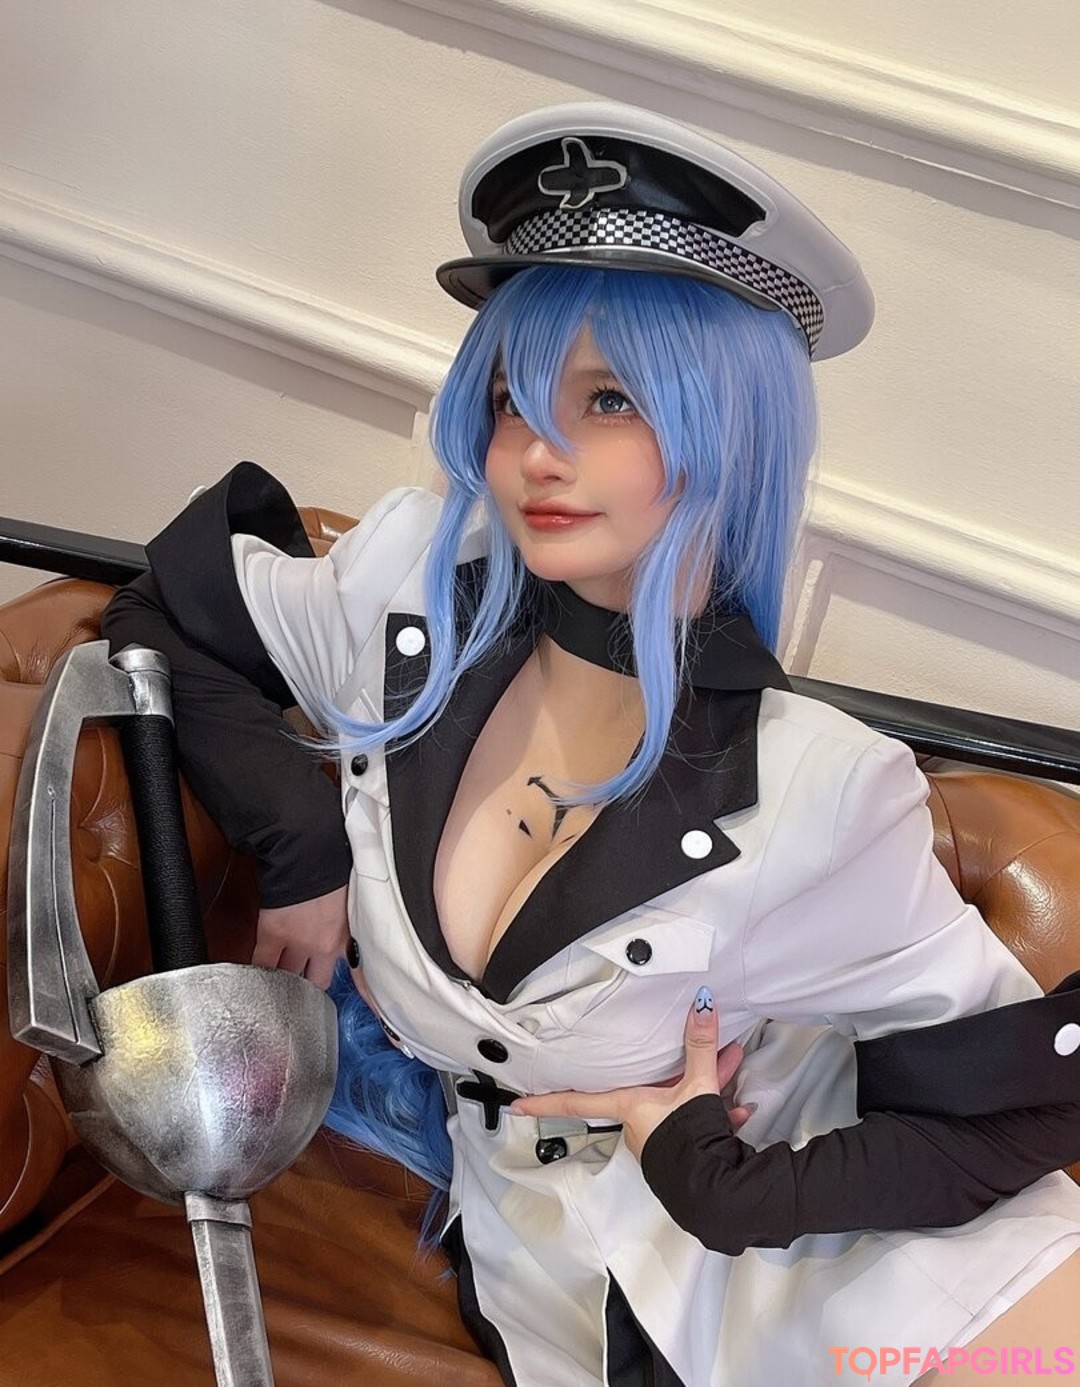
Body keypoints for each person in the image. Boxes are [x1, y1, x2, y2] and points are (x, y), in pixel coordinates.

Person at [102, 103, 1080, 1386]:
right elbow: (164, 613)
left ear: (731, 429)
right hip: (564, 1260)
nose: (533, 456)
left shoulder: (821, 790)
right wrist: (298, 840)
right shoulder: (413, 589)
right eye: (512, 399)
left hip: (812, 1228)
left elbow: (1025, 1104)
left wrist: (729, 1187)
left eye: (609, 399)